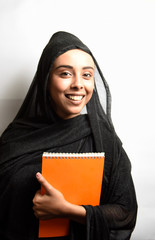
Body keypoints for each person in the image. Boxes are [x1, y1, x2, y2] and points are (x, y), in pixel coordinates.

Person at [0, 31, 137, 240]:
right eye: (65, 73)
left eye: (87, 74)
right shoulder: (16, 137)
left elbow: (125, 213)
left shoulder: (104, 140)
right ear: (46, 79)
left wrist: (67, 210)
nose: (78, 84)